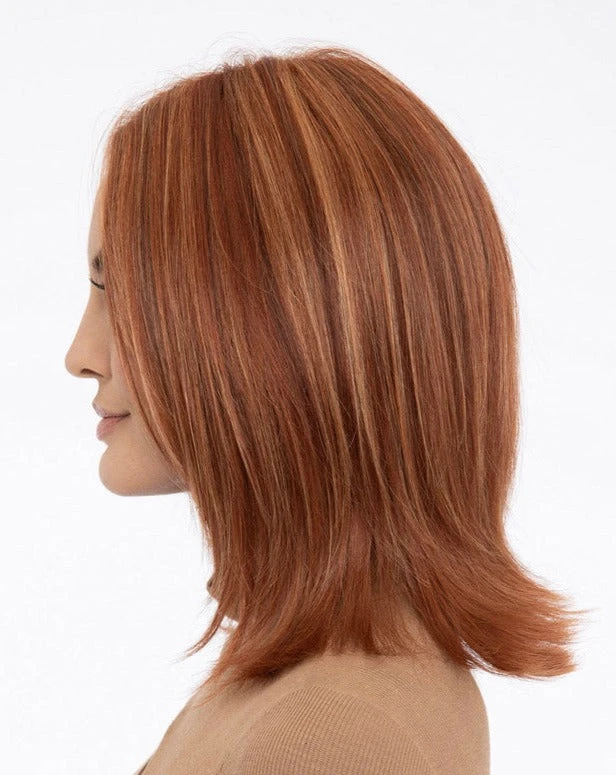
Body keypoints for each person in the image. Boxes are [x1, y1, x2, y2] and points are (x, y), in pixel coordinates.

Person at [65, 44, 589, 774]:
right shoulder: (309, 686)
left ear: (266, 320)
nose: (79, 354)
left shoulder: (325, 731)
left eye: (118, 289)